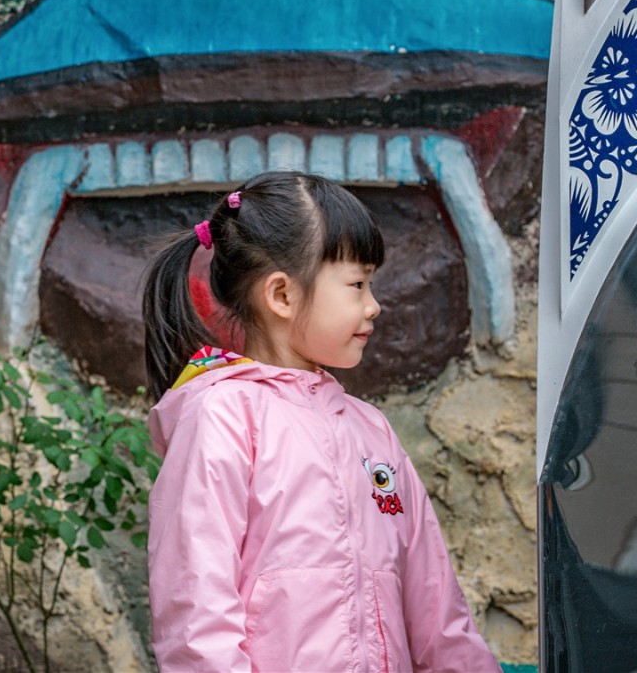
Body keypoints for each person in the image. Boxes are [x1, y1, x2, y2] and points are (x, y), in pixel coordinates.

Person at [143, 171, 501, 673]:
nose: (374, 305)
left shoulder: (371, 431)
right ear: (282, 295)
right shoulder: (222, 417)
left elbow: (439, 617)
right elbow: (197, 621)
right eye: (357, 284)